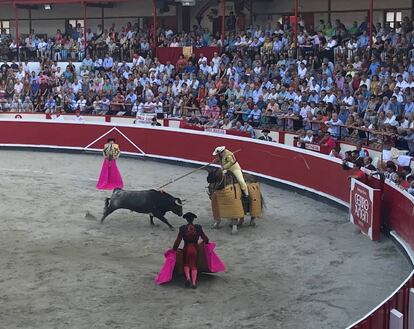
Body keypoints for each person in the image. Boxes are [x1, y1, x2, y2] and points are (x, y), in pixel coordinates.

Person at [173, 212, 209, 289]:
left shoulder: (182, 228)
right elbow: (205, 238)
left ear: (186, 219)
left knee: (186, 264)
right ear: (193, 219)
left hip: (186, 248)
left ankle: (188, 278)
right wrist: (206, 243)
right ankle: (193, 282)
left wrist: (174, 249)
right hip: (195, 248)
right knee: (193, 265)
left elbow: (178, 240)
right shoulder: (198, 227)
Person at [212, 146, 249, 210]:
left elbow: (231, 162)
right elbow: (222, 159)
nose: (218, 155)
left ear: (221, 152)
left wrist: (223, 167)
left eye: (218, 154)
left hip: (234, 168)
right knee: (219, 177)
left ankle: (246, 194)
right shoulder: (221, 155)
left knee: (241, 181)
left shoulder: (229, 154)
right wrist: (216, 160)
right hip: (227, 169)